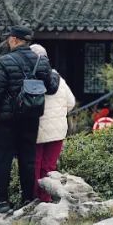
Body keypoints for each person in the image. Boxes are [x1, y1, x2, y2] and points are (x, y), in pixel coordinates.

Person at [0, 26, 57, 213]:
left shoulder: (5, 61)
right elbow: (51, 88)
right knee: (28, 160)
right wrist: (54, 76)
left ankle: (2, 201)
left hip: (7, 120)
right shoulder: (41, 62)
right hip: (31, 118)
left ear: (14, 40)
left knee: (4, 159)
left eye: (9, 38)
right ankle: (28, 199)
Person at [31, 44, 75, 203]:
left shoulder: (29, 77)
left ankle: (34, 197)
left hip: (35, 128)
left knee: (34, 164)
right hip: (57, 130)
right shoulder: (59, 79)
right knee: (49, 166)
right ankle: (46, 197)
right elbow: (71, 102)